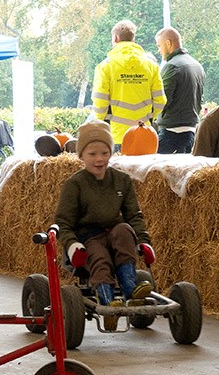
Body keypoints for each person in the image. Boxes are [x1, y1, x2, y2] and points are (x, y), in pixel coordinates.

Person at [54, 122, 156, 325]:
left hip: (115, 234)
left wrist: (144, 241)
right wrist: (73, 245)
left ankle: (131, 290)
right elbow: (63, 222)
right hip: (88, 238)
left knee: (124, 229)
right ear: (81, 156)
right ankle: (107, 301)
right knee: (100, 257)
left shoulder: (121, 180)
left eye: (104, 153)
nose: (99, 159)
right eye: (92, 154)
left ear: (111, 153)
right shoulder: (75, 184)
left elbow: (134, 215)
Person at [91, 21, 165, 148]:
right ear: (133, 39)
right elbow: (160, 101)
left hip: (117, 135)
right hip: (145, 134)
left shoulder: (105, 67)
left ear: (115, 38)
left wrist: (100, 122)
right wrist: (149, 118)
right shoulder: (151, 66)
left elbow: (100, 103)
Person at [154, 27, 204, 154]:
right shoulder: (197, 65)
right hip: (192, 132)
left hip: (171, 134)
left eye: (159, 46)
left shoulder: (171, 66)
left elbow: (163, 101)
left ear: (168, 43)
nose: (159, 50)